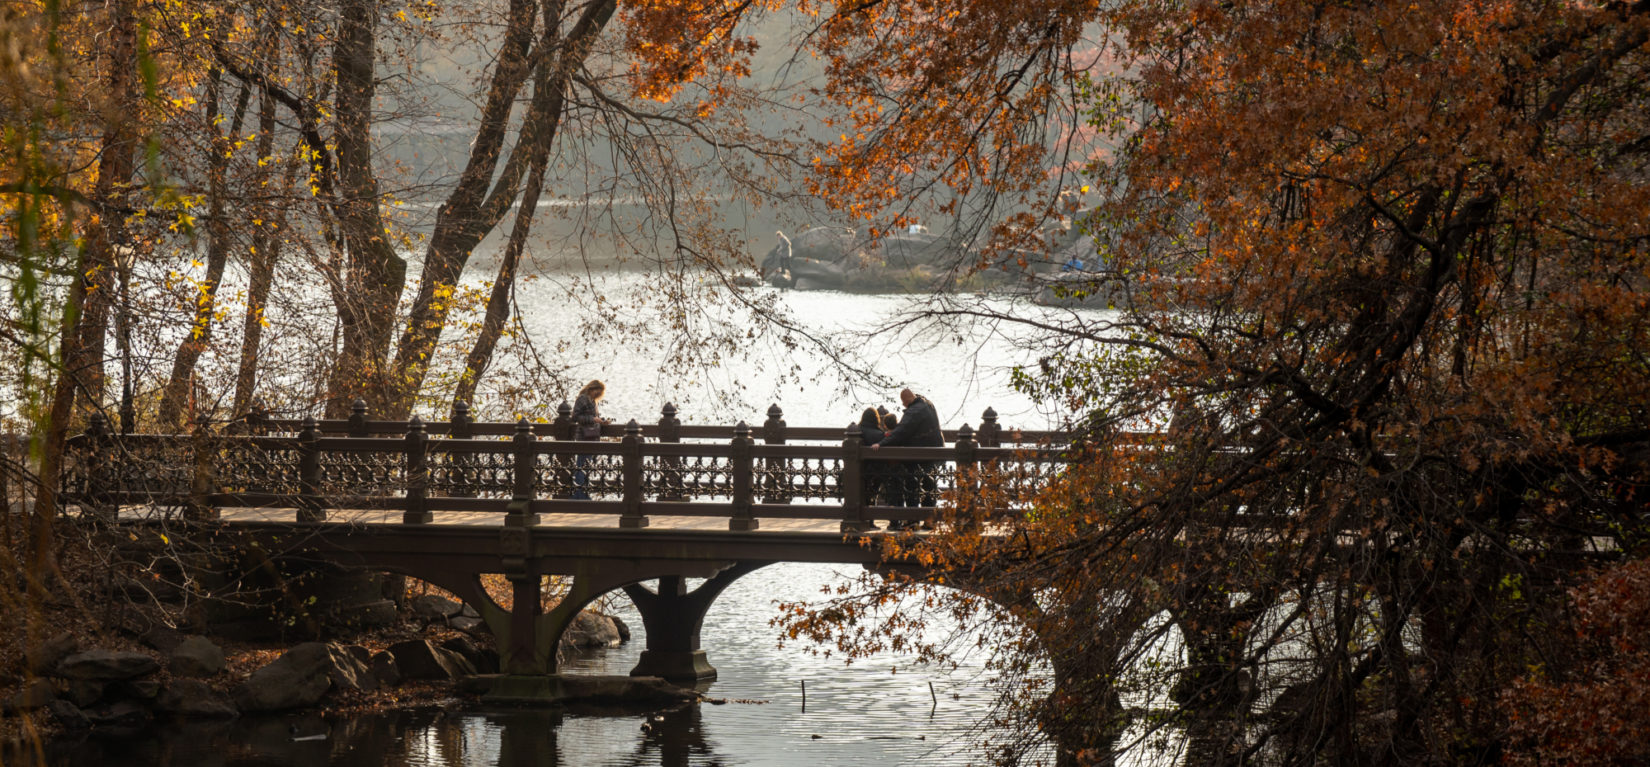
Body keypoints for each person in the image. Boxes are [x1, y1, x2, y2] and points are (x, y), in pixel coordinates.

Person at [871, 388, 944, 527]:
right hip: (935, 451)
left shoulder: (914, 411)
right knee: (929, 485)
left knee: (912, 485)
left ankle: (912, 520)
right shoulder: (927, 404)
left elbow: (901, 431)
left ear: (907, 401)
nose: (903, 406)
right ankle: (930, 520)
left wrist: (881, 443)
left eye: (903, 403)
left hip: (918, 455)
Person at [571, 380, 608, 499]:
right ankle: (579, 494)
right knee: (582, 464)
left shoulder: (592, 401)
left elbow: (592, 417)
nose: (598, 394)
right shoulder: (582, 399)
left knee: (586, 465)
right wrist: (593, 419)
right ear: (593, 388)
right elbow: (575, 417)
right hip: (584, 436)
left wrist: (601, 421)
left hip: (592, 436)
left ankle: (583, 493)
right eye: (598, 391)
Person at [857, 407, 891, 524]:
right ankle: (870, 521)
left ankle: (861, 520)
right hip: (875, 471)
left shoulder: (856, 430)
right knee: (873, 493)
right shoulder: (879, 434)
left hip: (857, 471)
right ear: (876, 419)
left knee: (860, 493)